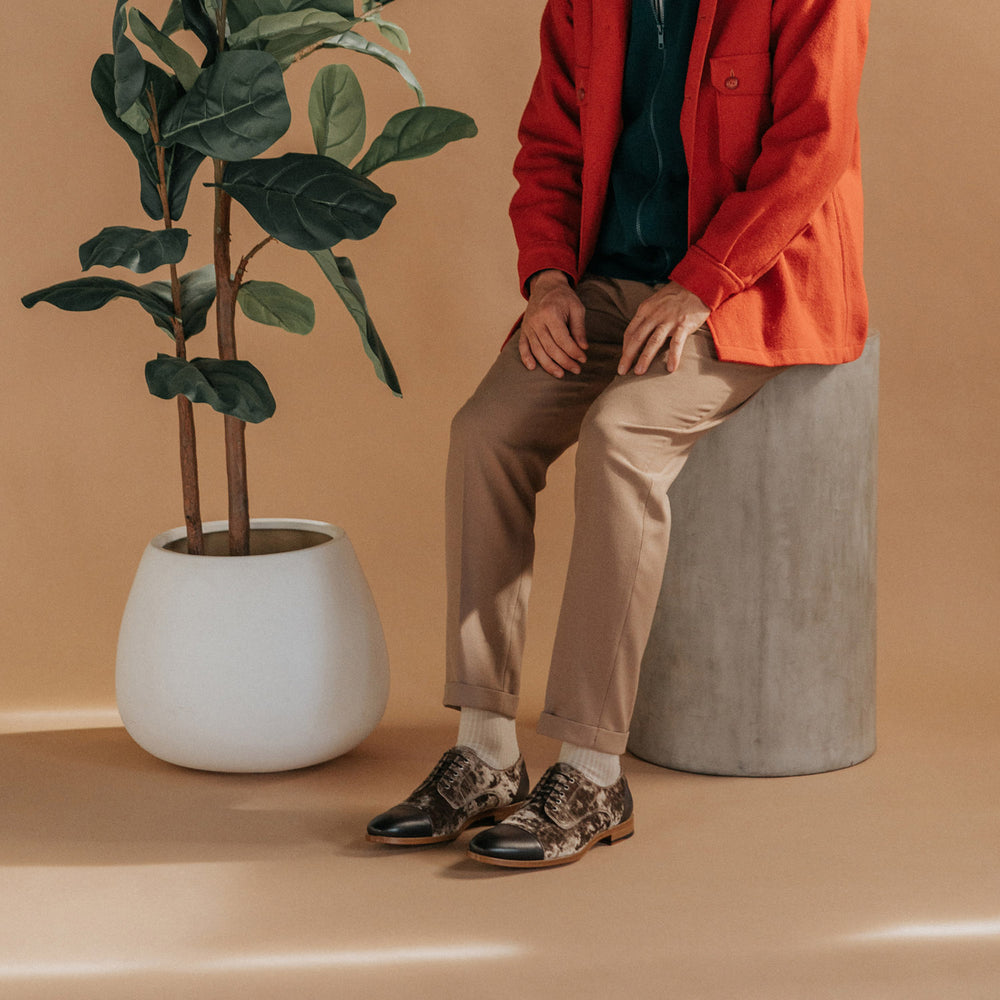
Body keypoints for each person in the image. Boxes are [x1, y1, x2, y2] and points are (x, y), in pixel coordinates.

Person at [367, 0, 870, 869]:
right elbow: (552, 144)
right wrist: (549, 277)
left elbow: (812, 149)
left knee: (620, 433)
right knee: (484, 433)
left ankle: (594, 771)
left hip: (749, 289)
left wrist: (704, 282)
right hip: (604, 285)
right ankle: (486, 750)